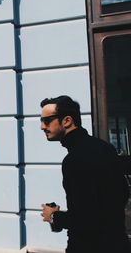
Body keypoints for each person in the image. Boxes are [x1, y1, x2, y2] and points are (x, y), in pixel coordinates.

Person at [39, 95, 130, 253]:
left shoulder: (75, 159)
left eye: (47, 120)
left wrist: (53, 216)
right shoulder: (105, 148)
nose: (42, 126)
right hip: (117, 243)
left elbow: (86, 219)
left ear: (67, 121)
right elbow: (123, 194)